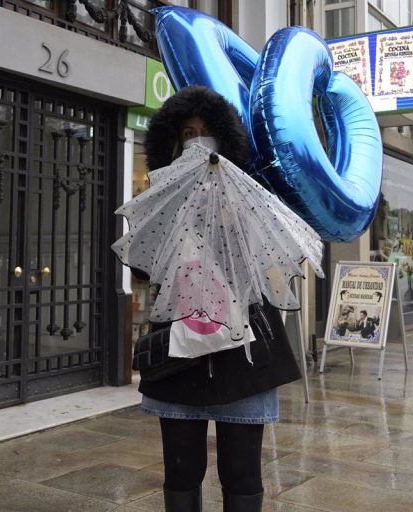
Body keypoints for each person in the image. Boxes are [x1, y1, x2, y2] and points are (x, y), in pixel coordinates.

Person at [132, 86, 302, 512]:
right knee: (181, 469)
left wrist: (230, 220)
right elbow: (142, 269)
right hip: (178, 353)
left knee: (241, 471)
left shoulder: (249, 193)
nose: (197, 141)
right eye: (188, 133)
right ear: (174, 142)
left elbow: (268, 265)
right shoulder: (159, 197)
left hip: (244, 352)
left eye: (206, 132)